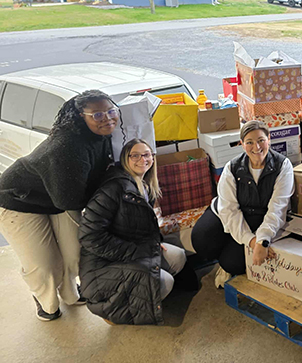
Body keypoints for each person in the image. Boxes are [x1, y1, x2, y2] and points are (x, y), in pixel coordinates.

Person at [0, 90, 118, 321]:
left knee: (76, 252)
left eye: (111, 111)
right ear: (80, 116)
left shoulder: (102, 135)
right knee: (44, 264)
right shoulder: (67, 147)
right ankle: (46, 301)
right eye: (97, 114)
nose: (107, 118)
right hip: (19, 200)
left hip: (59, 196)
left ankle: (70, 294)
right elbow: (68, 201)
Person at [78, 139, 187, 325]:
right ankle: (113, 312)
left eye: (146, 154)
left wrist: (152, 243)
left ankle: (142, 295)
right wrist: (140, 251)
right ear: (124, 158)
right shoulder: (113, 189)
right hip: (103, 264)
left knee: (178, 257)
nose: (142, 159)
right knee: (165, 282)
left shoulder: (144, 186)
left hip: (131, 249)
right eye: (135, 155)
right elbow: (90, 237)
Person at [191, 120, 294, 288]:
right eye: (249, 142)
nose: (257, 147)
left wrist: (263, 240)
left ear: (269, 139)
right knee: (201, 240)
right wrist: (252, 242)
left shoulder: (283, 166)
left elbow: (277, 208)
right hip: (224, 211)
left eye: (261, 140)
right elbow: (229, 210)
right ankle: (228, 246)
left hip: (257, 214)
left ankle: (226, 263)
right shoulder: (232, 168)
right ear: (242, 144)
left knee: (233, 263)